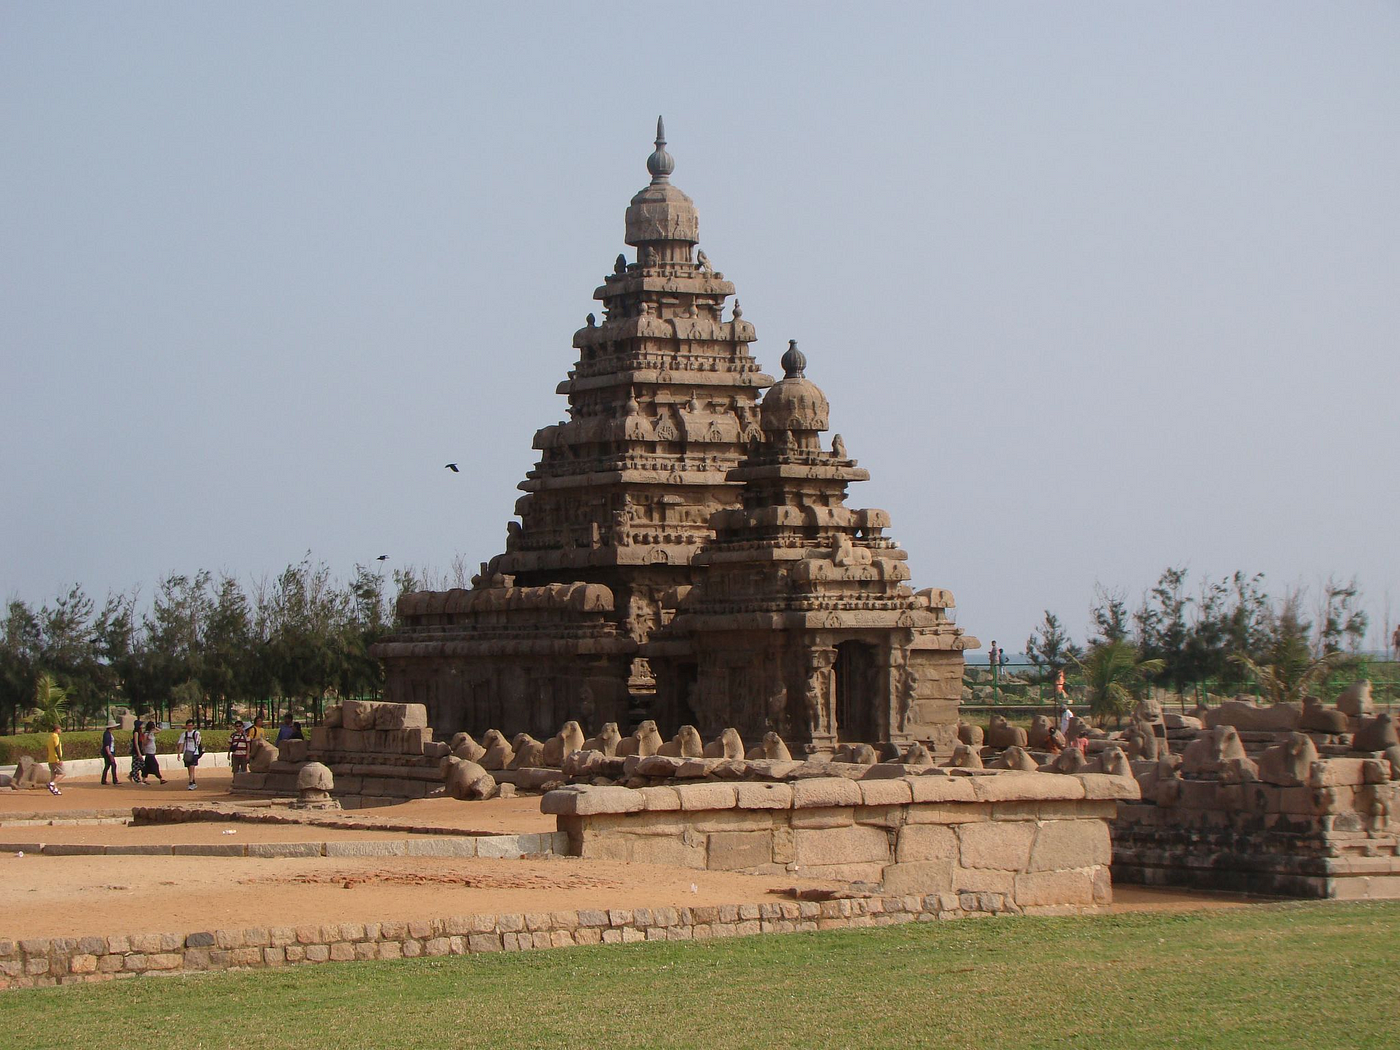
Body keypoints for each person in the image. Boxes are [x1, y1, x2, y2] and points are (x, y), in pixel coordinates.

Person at [175, 719, 202, 790]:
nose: (190, 727)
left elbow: (198, 742)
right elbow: (181, 744)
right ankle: (193, 782)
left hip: (194, 753)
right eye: (188, 725)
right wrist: (179, 754)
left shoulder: (196, 733)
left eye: (191, 725)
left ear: (193, 726)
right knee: (189, 769)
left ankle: (190, 783)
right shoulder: (184, 734)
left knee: (192, 768)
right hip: (187, 753)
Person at [141, 720, 166, 785]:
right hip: (149, 752)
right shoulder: (146, 734)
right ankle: (160, 778)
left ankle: (144, 779)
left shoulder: (151, 732)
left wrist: (155, 728)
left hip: (152, 752)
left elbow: (159, 730)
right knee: (155, 765)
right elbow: (144, 743)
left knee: (147, 767)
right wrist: (148, 739)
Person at [46, 723, 64, 796]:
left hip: (50, 759)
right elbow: (56, 747)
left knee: (53, 774)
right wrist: (60, 759)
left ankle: (54, 789)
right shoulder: (55, 737)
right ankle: (52, 784)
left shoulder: (50, 737)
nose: (61, 731)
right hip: (56, 759)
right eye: (60, 729)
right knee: (62, 773)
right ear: (57, 730)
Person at [101, 720, 119, 786]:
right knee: (113, 765)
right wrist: (109, 753)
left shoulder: (108, 733)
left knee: (108, 766)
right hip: (109, 752)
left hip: (110, 751)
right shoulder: (107, 734)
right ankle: (115, 780)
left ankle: (104, 780)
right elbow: (106, 745)